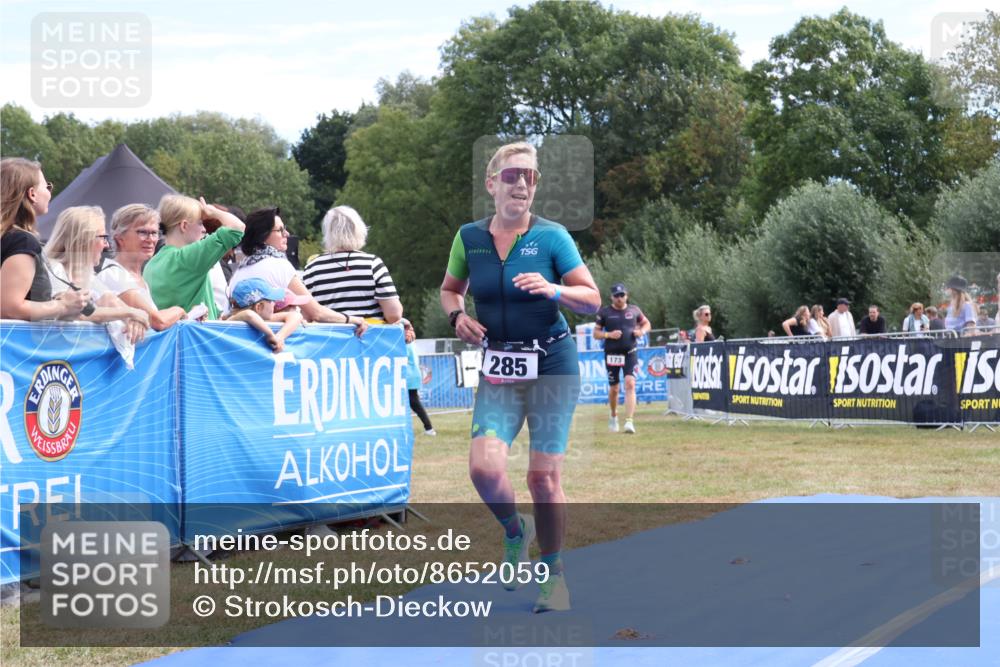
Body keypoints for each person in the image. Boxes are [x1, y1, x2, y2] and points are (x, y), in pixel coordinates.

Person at [439, 141, 600, 613]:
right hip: (500, 368)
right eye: (512, 176)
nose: (522, 184)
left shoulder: (552, 238)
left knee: (543, 479)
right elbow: (450, 290)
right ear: (491, 184)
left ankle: (553, 576)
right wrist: (457, 317)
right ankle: (516, 531)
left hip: (551, 362)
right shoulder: (469, 237)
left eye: (530, 176)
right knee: (484, 470)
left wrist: (553, 288)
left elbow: (590, 299)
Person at [228, 206, 367, 334]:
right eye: (280, 230)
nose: (287, 234)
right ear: (263, 236)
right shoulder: (278, 265)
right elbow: (316, 313)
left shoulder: (241, 268)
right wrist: (353, 320)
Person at [43, 206, 150, 344]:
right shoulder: (54, 269)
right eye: (103, 237)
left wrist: (133, 319)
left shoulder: (86, 275)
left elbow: (111, 301)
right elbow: (75, 314)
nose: (106, 245)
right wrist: (129, 313)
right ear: (84, 239)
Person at [1, 158, 89, 320]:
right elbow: (9, 308)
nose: (50, 192)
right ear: (32, 194)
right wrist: (64, 305)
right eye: (47, 186)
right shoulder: (21, 241)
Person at [143, 194, 245, 320]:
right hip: (196, 338)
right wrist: (212, 212)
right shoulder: (187, 258)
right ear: (184, 226)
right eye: (200, 223)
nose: (204, 230)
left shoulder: (151, 264)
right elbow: (237, 228)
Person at [303, 205, 403, 324]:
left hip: (328, 340)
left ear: (328, 233)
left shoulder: (312, 268)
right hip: (368, 340)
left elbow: (306, 316)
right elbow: (394, 315)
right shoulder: (373, 264)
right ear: (359, 230)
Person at [99, 204, 189, 330]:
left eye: (154, 233)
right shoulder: (114, 275)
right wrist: (179, 310)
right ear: (120, 238)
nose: (151, 239)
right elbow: (157, 321)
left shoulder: (137, 278)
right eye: (142, 232)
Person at [593, 282, 650, 434]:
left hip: (630, 352)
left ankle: (629, 422)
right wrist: (608, 335)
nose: (619, 298)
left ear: (627, 296)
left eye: (622, 295)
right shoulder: (604, 312)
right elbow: (596, 333)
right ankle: (613, 415)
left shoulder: (634, 310)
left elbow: (646, 324)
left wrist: (641, 332)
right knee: (614, 388)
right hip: (612, 354)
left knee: (630, 383)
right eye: (616, 296)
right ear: (611, 297)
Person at [225, 278, 303, 353]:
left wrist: (280, 337)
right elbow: (248, 314)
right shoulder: (233, 319)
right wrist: (270, 335)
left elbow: (295, 316)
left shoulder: (260, 319)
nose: (274, 303)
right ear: (259, 307)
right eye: (271, 300)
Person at [402, 318, 435, 436]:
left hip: (408, 376)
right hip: (412, 376)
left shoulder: (405, 343)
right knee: (414, 403)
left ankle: (429, 428)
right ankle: (428, 428)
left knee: (414, 403)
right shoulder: (411, 342)